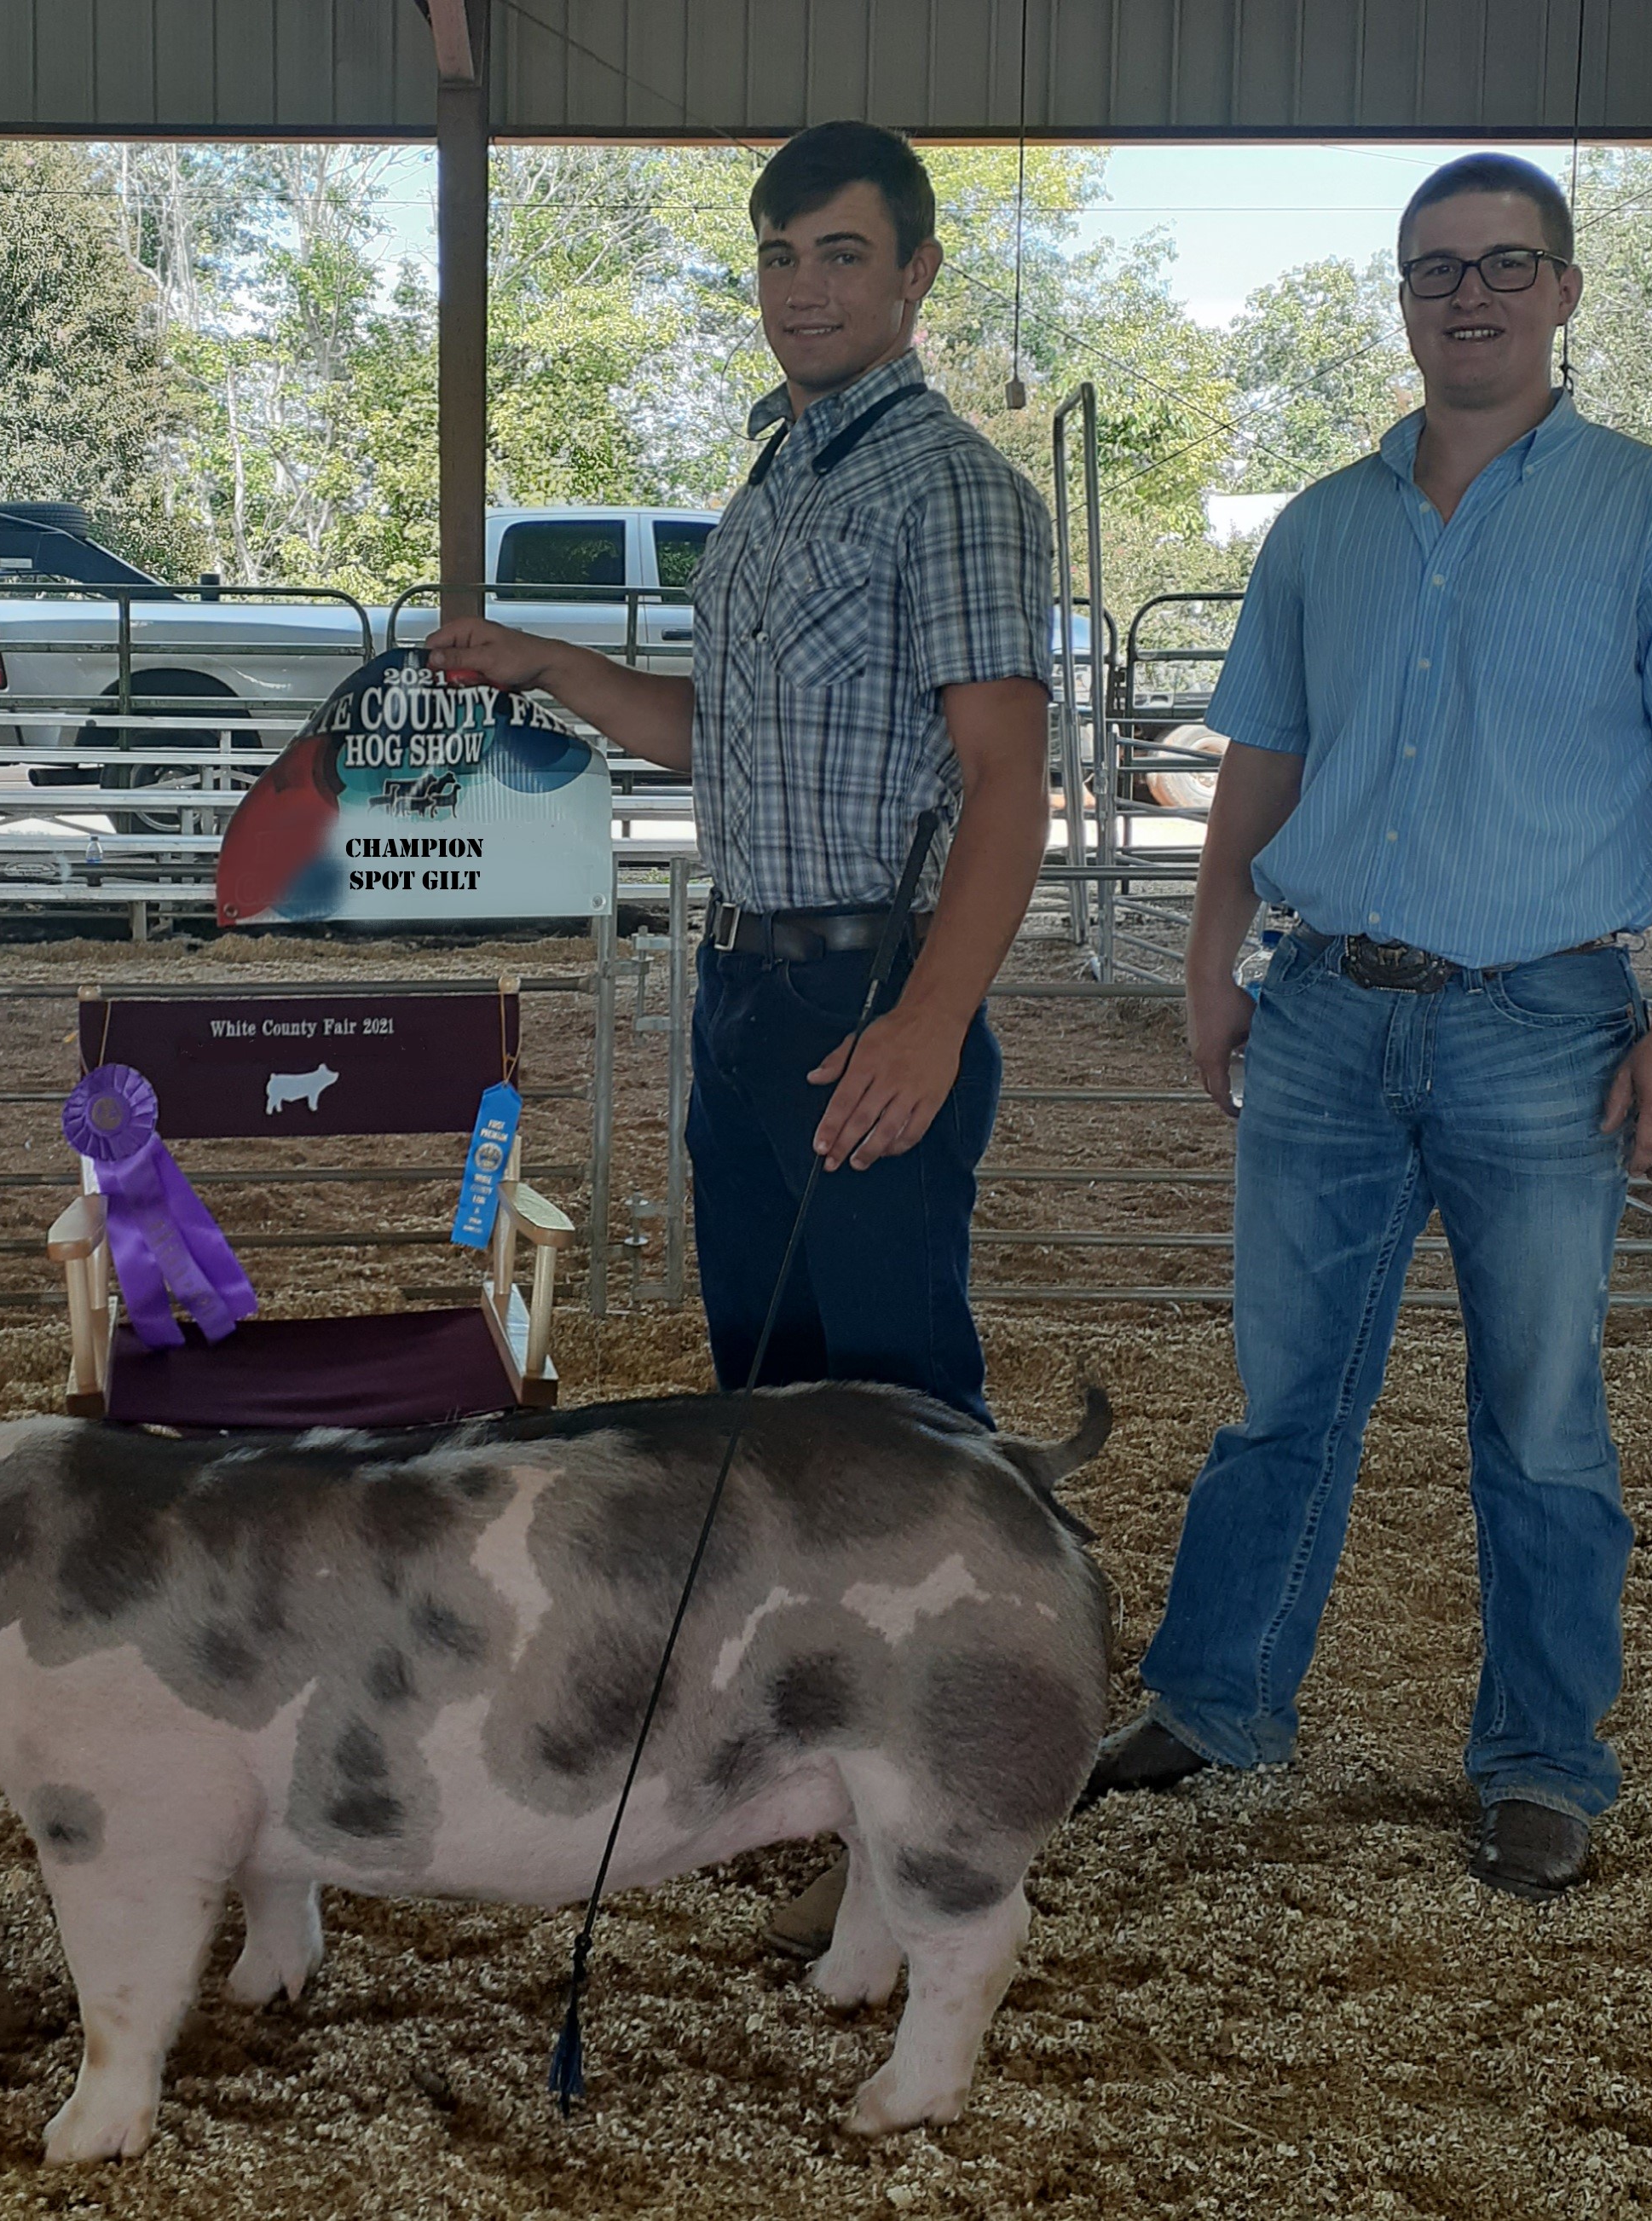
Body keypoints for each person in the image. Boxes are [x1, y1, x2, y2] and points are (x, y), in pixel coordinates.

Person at [1083, 154, 1652, 1902]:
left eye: (1502, 264)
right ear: (1401, 297)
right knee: (1282, 1392)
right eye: (1435, 270)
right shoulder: (1321, 526)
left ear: (1563, 289)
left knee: (1540, 1413)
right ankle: (1216, 1696)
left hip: (1543, 1017)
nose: (1467, 295)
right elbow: (1260, 757)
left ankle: (1542, 1755)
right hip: (1323, 1006)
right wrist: (1210, 957)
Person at [430, 122, 1054, 1950]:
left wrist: (930, 1016)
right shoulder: (778, 476)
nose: (803, 288)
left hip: (868, 990)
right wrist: (550, 666)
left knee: (900, 1426)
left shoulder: (951, 487)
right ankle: (825, 1768)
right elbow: (725, 736)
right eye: (780, 256)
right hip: (750, 987)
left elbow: (1006, 780)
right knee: (771, 1409)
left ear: (916, 273)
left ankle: (950, 1805)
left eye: (841, 254)